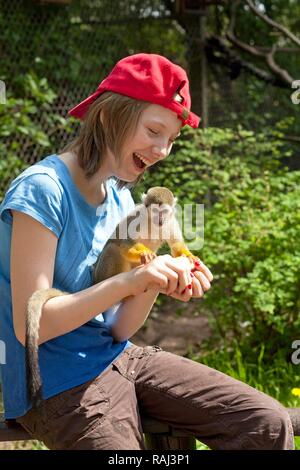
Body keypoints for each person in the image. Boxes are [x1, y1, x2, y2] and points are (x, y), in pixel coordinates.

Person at [0, 53, 294, 450]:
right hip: (56, 383)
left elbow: (119, 329)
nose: (162, 150)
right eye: (154, 130)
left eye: (171, 139)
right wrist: (131, 279)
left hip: (120, 357)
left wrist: (157, 280)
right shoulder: (44, 189)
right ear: (107, 117)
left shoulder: (123, 201)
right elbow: (30, 327)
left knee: (267, 424)